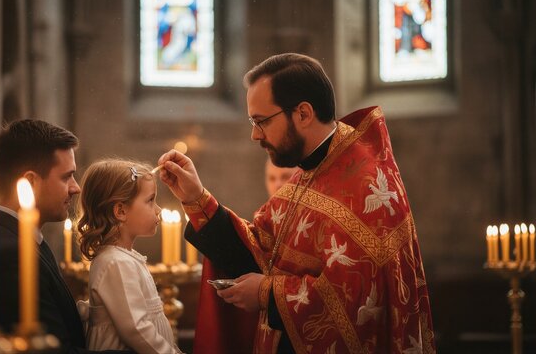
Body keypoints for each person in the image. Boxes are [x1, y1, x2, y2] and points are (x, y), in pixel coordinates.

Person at [157, 53, 435, 353]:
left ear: (303, 114)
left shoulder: (368, 187)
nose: (254, 134)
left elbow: (355, 304)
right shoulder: (307, 176)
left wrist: (266, 293)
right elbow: (259, 252)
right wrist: (195, 198)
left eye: (261, 121)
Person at [0, 119, 126, 353]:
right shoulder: (9, 252)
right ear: (29, 183)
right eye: (66, 176)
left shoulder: (19, 240)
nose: (76, 188)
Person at [76, 159, 181, 353]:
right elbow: (137, 329)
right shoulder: (115, 262)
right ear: (121, 211)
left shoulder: (124, 258)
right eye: (150, 200)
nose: (158, 209)